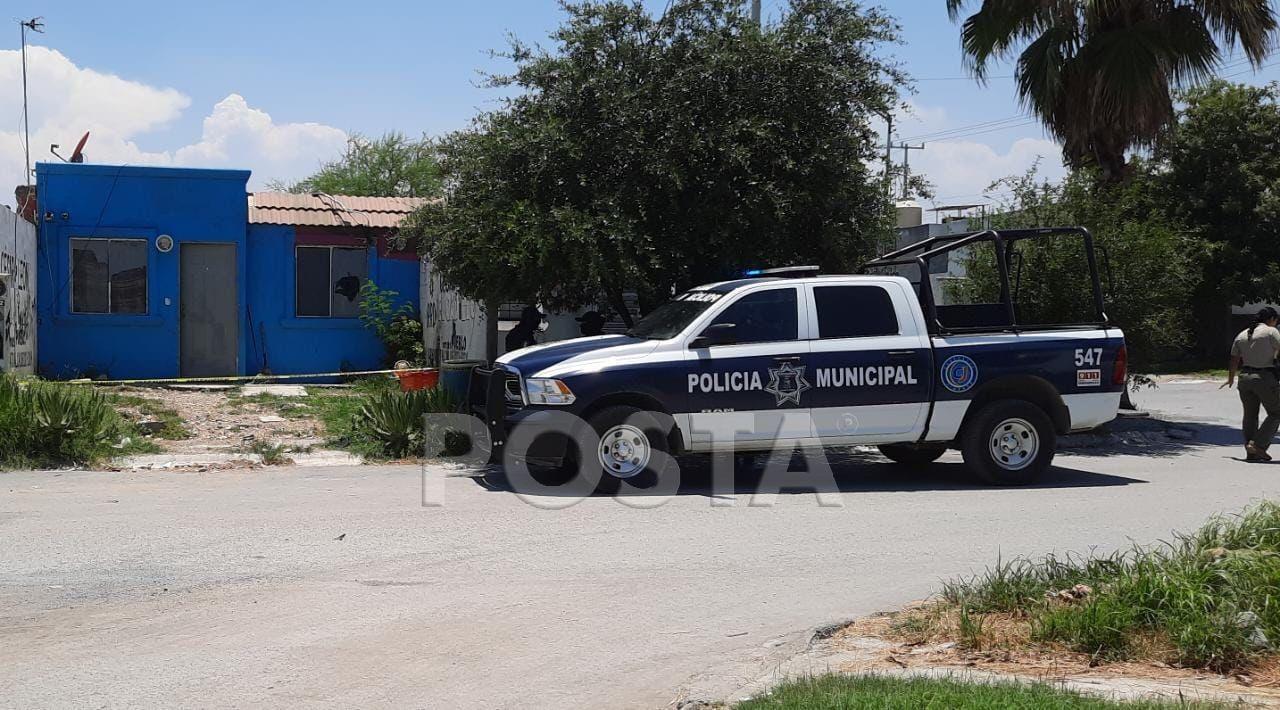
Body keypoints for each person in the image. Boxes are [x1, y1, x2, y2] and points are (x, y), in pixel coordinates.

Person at [1222, 306, 1280, 462]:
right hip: (1264, 376)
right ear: (1271, 319)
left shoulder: (1242, 334)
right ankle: (1258, 445)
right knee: (1276, 412)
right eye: (1276, 320)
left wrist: (1231, 378)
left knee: (1250, 415)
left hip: (1244, 378)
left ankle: (1251, 452)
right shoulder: (1270, 331)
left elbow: (1234, 359)